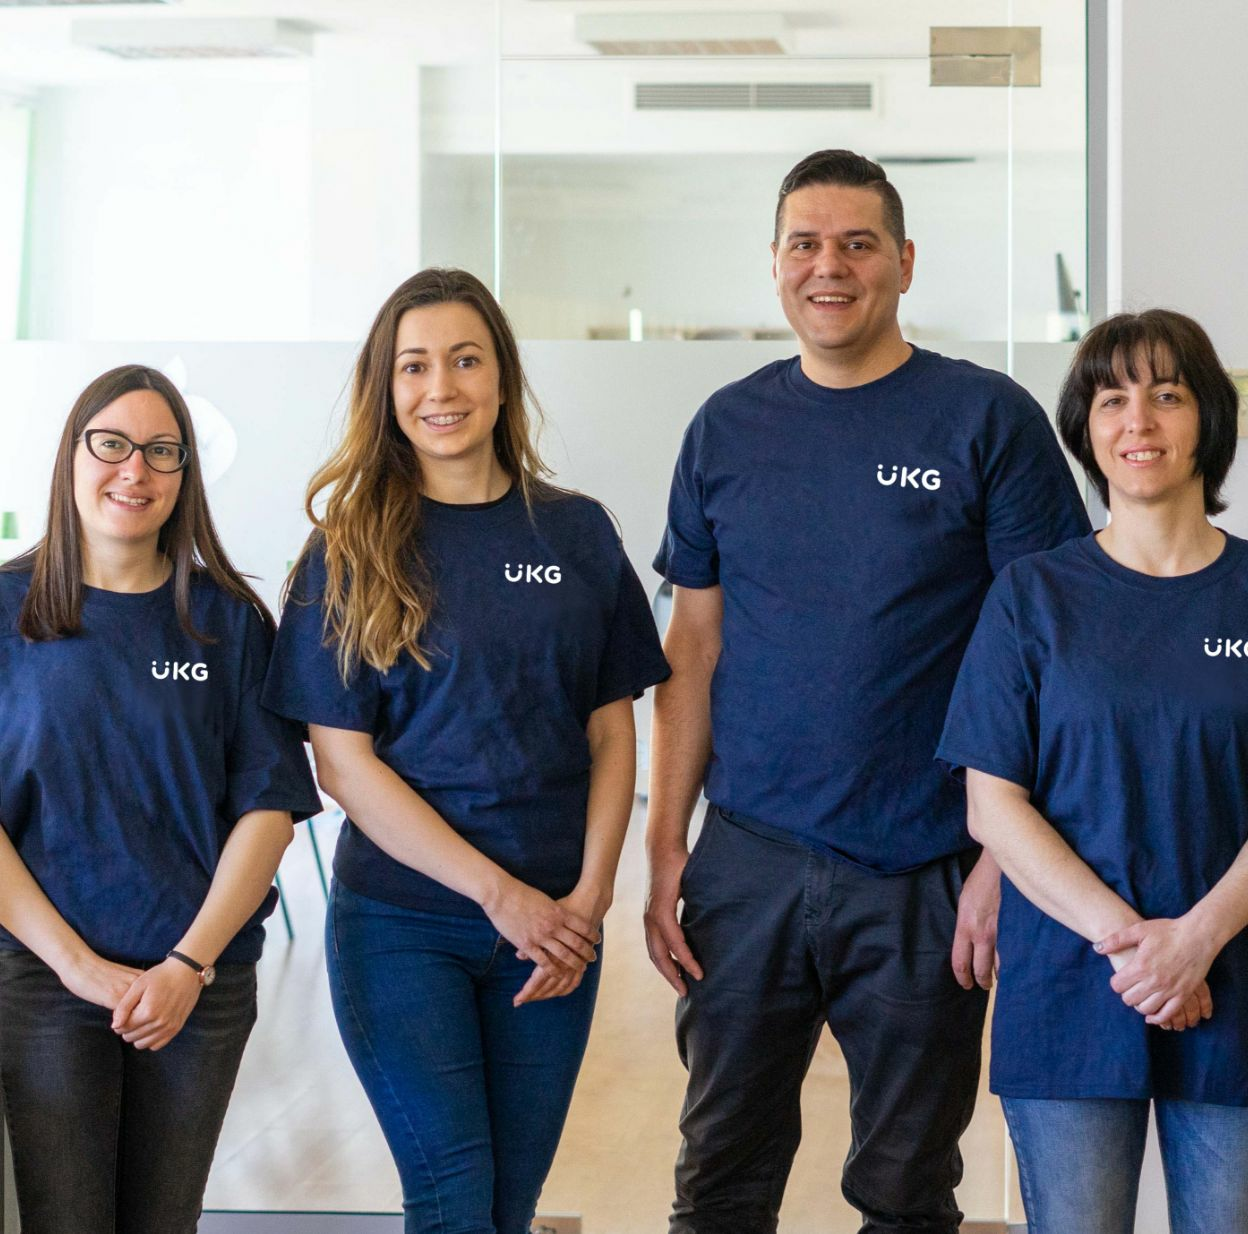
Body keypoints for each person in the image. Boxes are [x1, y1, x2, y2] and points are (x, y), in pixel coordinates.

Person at [644, 148, 1092, 1234]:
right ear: (775, 262)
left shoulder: (986, 420)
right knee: (718, 1180)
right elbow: (691, 650)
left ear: (902, 262)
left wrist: (1001, 858)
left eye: (856, 243)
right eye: (806, 243)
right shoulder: (725, 428)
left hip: (925, 866)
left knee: (903, 1189)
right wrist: (664, 849)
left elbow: (1051, 658)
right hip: (747, 861)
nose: (829, 266)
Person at [262, 267, 670, 1234]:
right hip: (404, 928)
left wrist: (587, 896)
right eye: (413, 366)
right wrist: (503, 897)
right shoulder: (347, 549)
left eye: (463, 360)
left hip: (555, 934)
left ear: (501, 378)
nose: (439, 388)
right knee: (452, 1200)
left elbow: (612, 730)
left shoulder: (573, 530)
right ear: (385, 388)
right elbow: (343, 765)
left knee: (509, 1204)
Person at [937, 309, 1248, 1233]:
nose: (1138, 421)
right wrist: (1139, 948)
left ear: (1209, 422)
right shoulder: (1033, 595)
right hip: (1072, 982)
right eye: (1112, 399)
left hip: (1233, 976)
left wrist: (1194, 942)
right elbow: (993, 803)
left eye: (1167, 394)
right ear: (1086, 429)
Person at [0, 364, 321, 1234]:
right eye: (110, 444)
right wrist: (78, 967)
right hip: (47, 980)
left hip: (200, 984)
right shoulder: (7, 612)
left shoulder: (228, 624)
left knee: (162, 1222)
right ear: (71, 456)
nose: (133, 470)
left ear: (185, 477)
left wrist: (187, 966)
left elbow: (269, 811)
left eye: (161, 452)